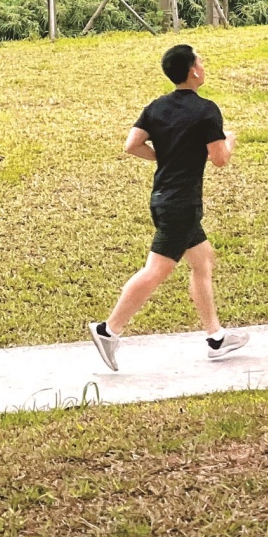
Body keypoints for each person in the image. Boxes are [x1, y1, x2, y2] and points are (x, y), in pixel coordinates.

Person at [88, 45, 248, 371]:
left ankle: (215, 337)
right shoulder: (207, 111)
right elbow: (219, 160)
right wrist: (229, 139)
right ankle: (109, 330)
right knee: (157, 270)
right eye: (201, 61)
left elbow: (132, 145)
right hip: (182, 205)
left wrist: (167, 155)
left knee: (203, 261)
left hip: (162, 199)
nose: (203, 64)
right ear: (194, 72)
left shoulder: (157, 106)